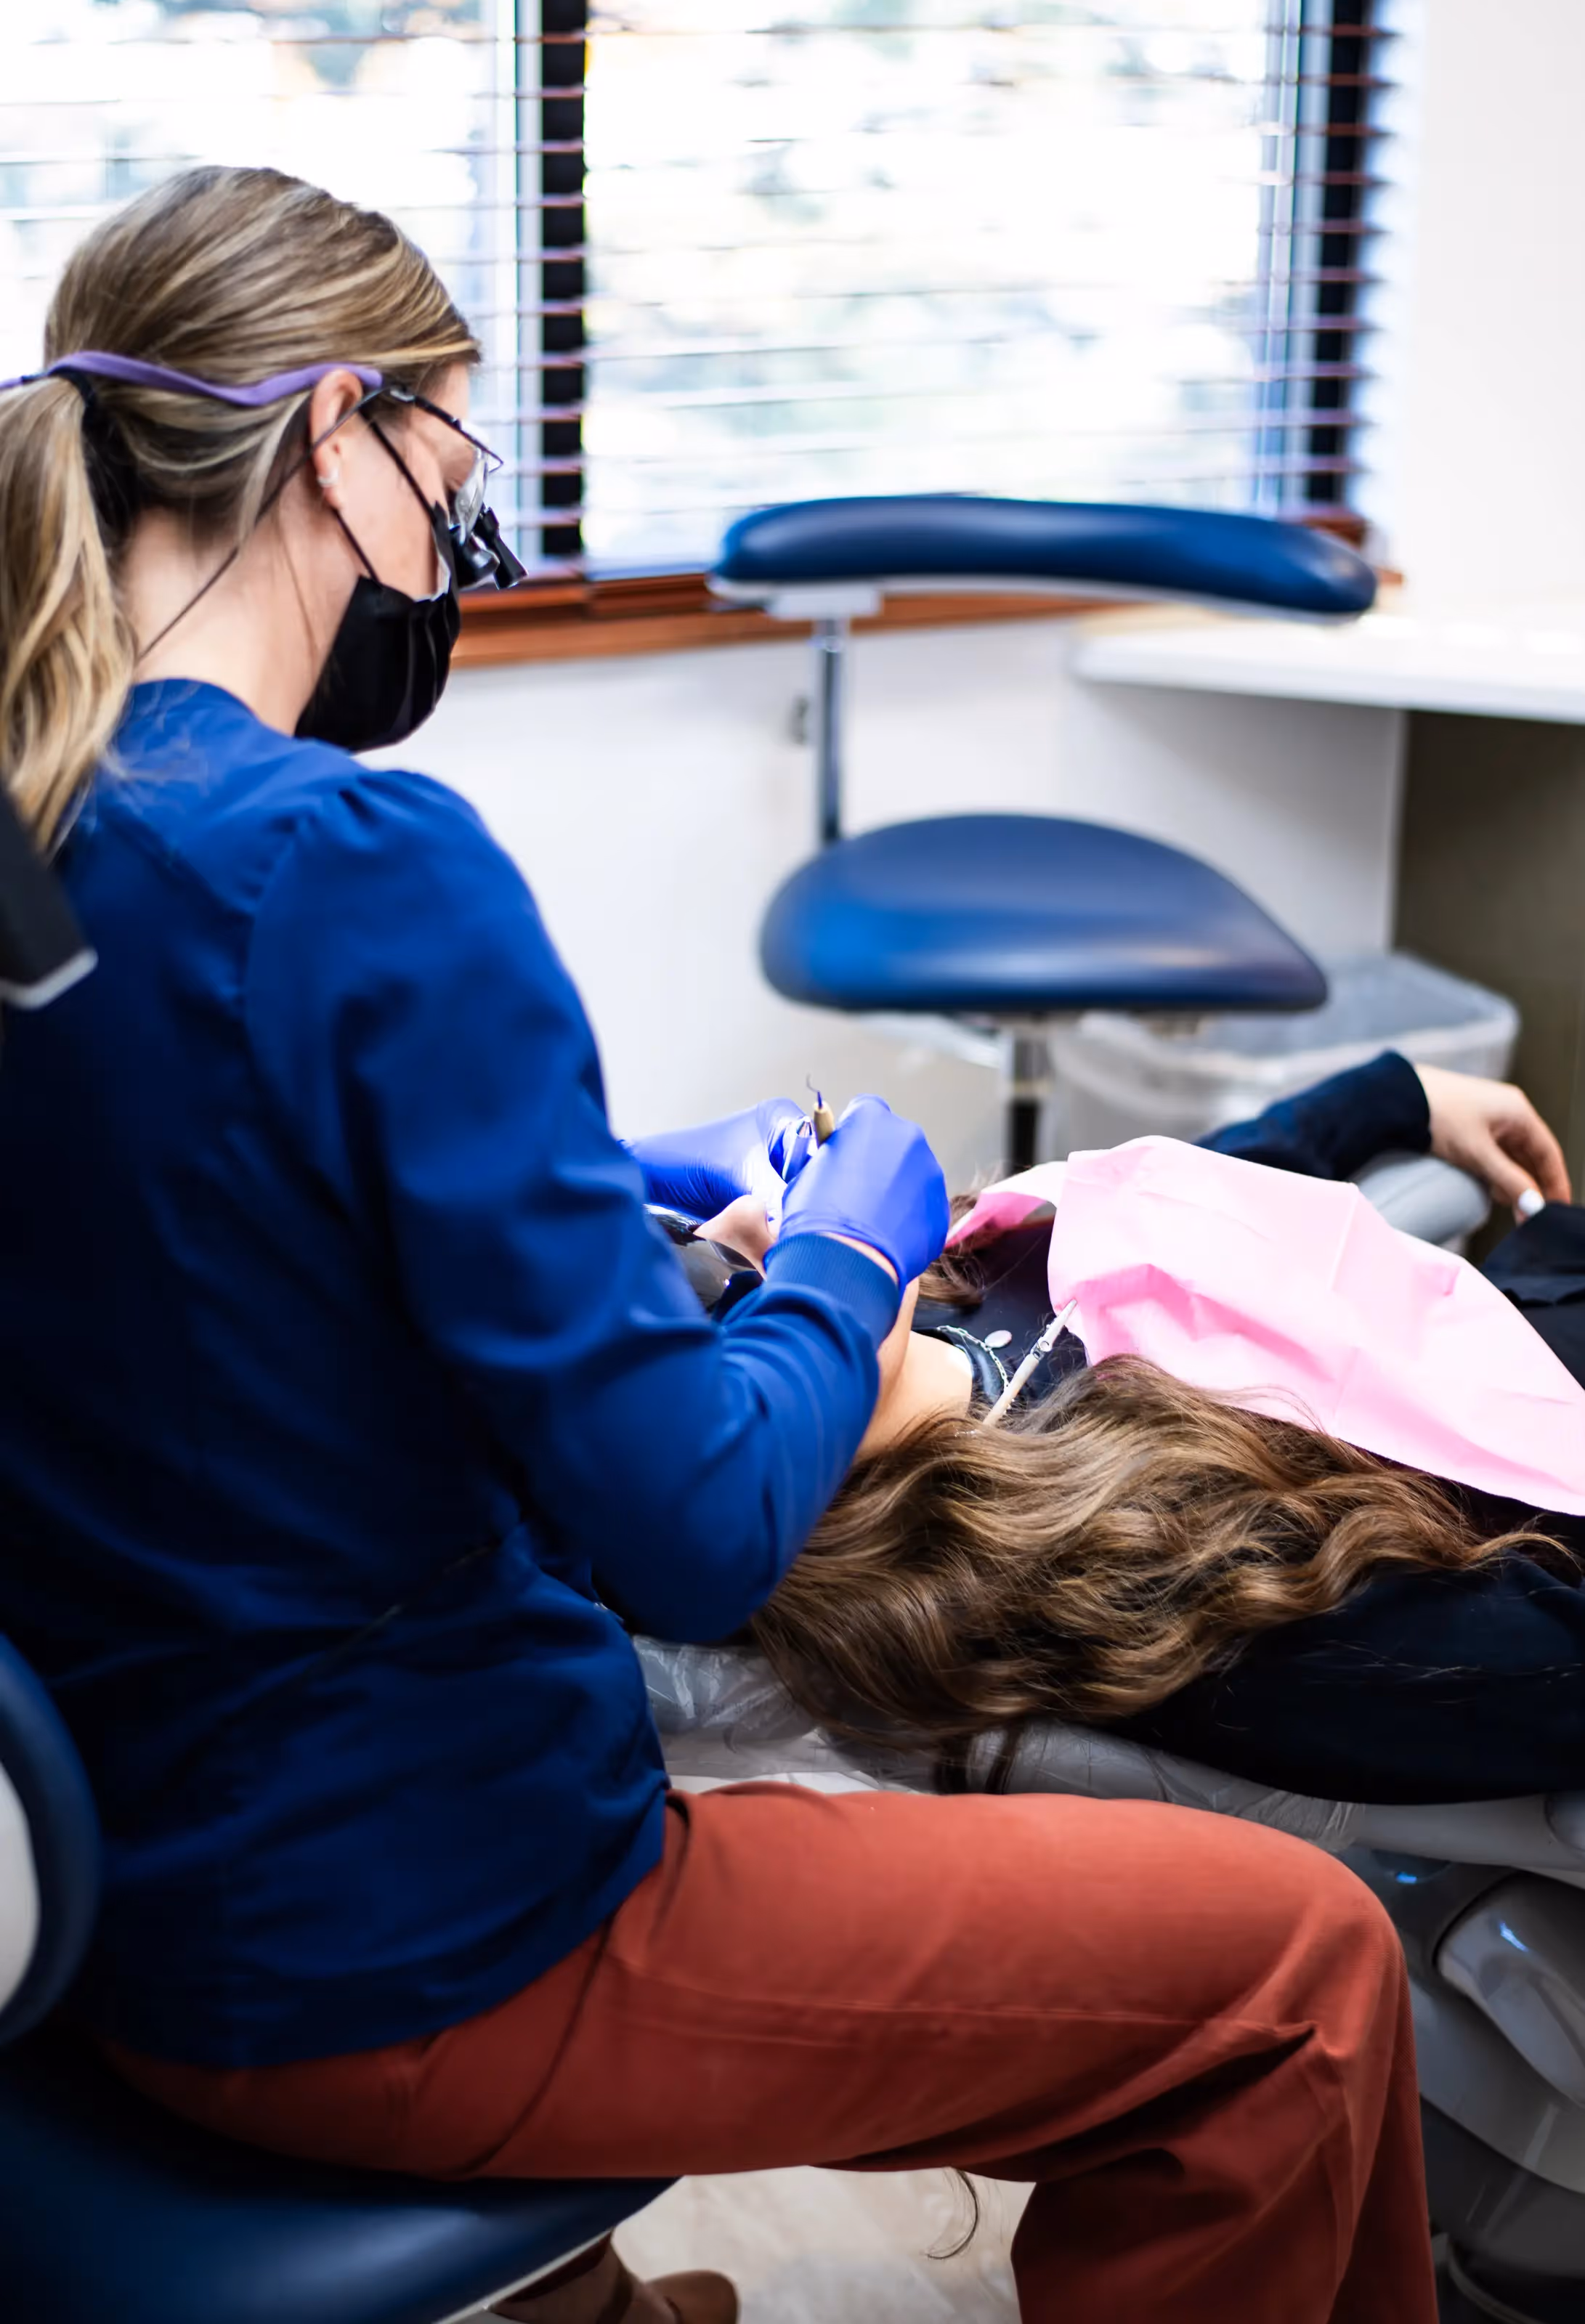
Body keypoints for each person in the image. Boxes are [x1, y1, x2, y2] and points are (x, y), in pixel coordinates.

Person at [0, 165, 1438, 2324]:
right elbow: (694, 1530)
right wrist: (851, 1244)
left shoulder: (48, 833)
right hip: (406, 1945)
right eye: (453, 491)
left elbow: (199, 1218)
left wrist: (595, 1178)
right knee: (1295, 1972)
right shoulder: (355, 862)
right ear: (335, 436)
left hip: (116, 1902)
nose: (451, 559)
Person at [680, 1052, 1585, 1810]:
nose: (744, 1218)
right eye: (704, 1288)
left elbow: (1188, 1228)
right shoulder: (1131, 1573)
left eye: (675, 1229)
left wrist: (1390, 1097)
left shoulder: (957, 1277)